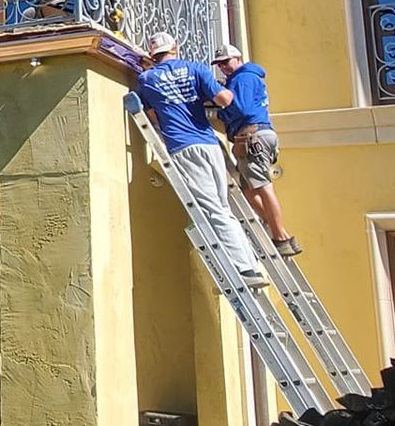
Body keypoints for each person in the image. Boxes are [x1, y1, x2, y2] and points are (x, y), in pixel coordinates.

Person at [127, 31, 268, 287]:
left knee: (211, 209)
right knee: (223, 207)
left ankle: (245, 270)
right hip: (210, 143)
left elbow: (153, 117)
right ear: (175, 48)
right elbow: (225, 99)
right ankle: (252, 264)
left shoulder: (146, 79)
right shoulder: (195, 69)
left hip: (182, 145)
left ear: (152, 55)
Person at [212, 44, 303, 259]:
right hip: (259, 136)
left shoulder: (243, 78)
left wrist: (220, 111)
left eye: (227, 61)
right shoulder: (247, 78)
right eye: (220, 64)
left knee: (262, 187)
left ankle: (281, 237)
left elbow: (241, 108)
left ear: (238, 58)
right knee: (250, 191)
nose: (223, 67)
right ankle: (277, 231)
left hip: (253, 136)